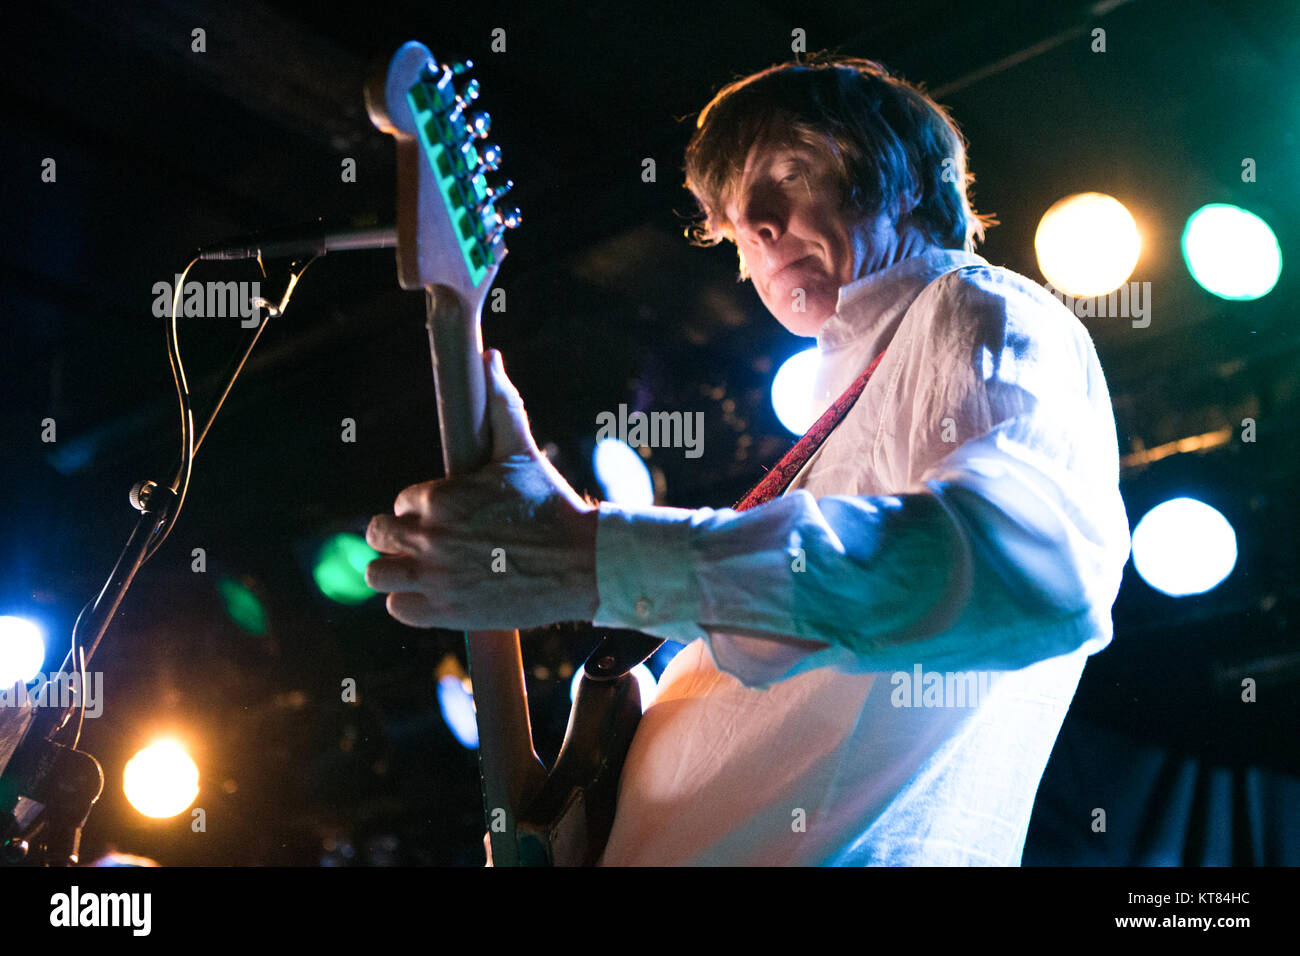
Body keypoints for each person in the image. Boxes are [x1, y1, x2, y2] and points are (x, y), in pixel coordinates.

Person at [364, 56, 1132, 865]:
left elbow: (1034, 570)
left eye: (790, 174)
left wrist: (587, 555)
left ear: (905, 179)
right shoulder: (848, 419)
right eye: (731, 210)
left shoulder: (978, 307)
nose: (757, 223)